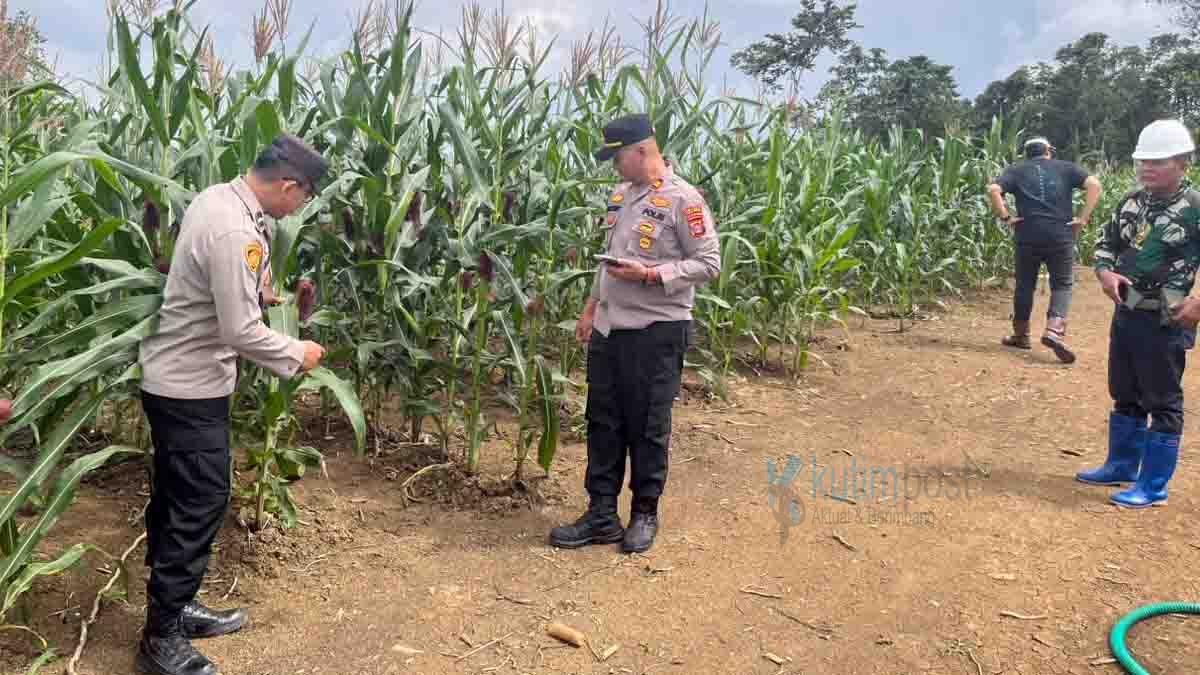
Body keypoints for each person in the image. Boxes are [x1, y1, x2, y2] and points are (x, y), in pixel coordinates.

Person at [135, 134, 329, 675]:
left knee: (177, 497)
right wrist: (298, 351)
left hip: (175, 380)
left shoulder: (216, 199)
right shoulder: (234, 228)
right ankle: (160, 639)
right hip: (189, 387)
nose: (301, 207)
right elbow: (240, 331)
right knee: (199, 501)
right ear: (288, 185)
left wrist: (254, 290)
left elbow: (216, 284)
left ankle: (176, 604)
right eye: (305, 196)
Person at [548, 114, 720, 554]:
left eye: (617, 156)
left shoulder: (685, 200)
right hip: (610, 330)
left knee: (647, 427)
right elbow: (607, 262)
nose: (613, 166)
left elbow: (708, 265)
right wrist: (590, 309)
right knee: (603, 423)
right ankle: (601, 514)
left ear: (642, 150)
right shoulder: (621, 196)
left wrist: (650, 275)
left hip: (655, 331)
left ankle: (644, 513)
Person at [1077, 118, 1200, 509]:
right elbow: (1105, 243)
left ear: (1183, 163)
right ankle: (1121, 465)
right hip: (1127, 311)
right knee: (1125, 392)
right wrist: (1104, 272)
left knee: (1162, 400)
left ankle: (1153, 486)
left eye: (1157, 161)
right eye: (1143, 161)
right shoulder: (1132, 200)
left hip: (1168, 318)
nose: (1147, 168)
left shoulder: (1195, 208)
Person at [987, 136, 1102, 363]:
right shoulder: (1066, 168)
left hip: (1026, 234)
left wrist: (1007, 217)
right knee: (1062, 284)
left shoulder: (1017, 170)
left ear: (1026, 153)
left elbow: (993, 189)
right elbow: (1095, 185)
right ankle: (1053, 330)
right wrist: (1083, 218)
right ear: (1048, 150)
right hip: (1060, 234)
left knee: (1024, 285)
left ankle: (1021, 335)